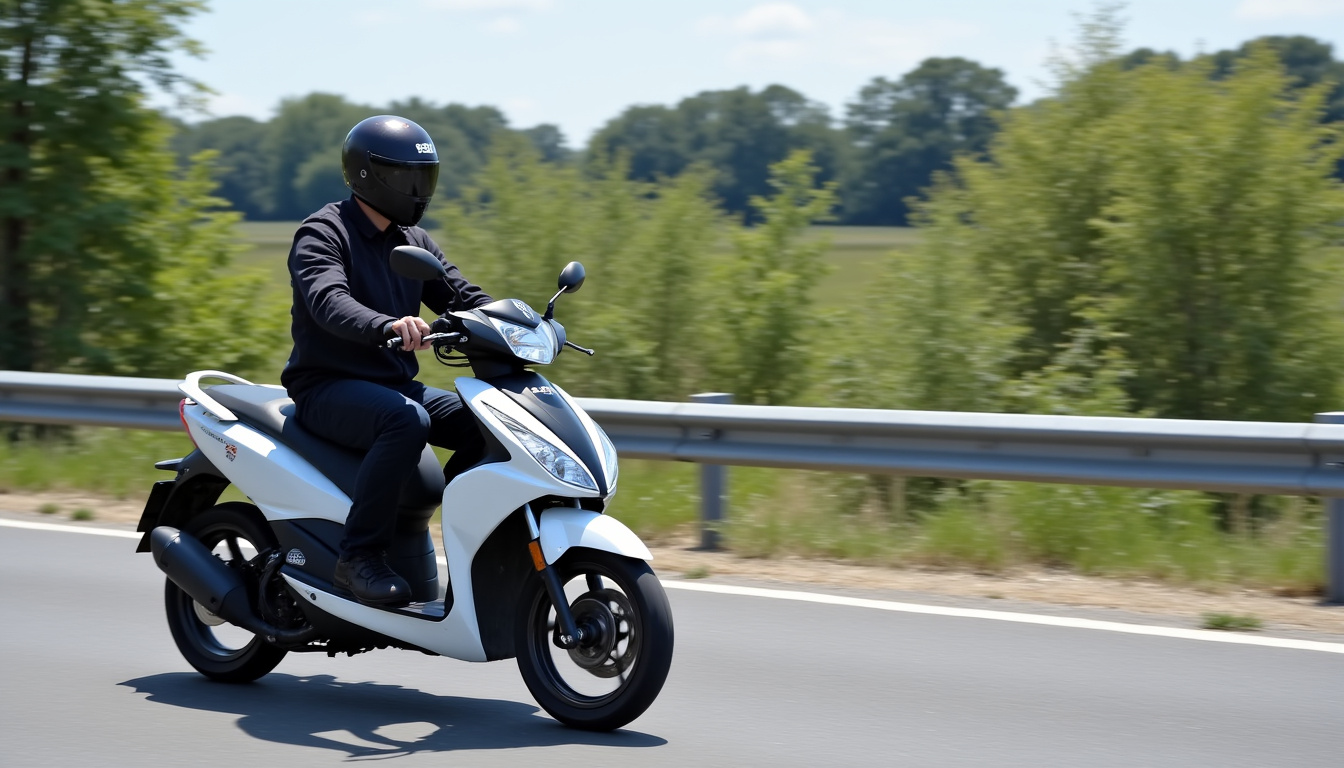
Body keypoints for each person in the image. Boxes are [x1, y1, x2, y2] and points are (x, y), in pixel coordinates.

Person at [281, 115, 492, 607]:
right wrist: (387, 325)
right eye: (405, 178)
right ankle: (358, 558)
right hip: (327, 386)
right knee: (404, 419)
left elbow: (462, 296)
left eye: (424, 178)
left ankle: (458, 534)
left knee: (491, 422)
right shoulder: (324, 232)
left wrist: (521, 321)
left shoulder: (414, 242)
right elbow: (328, 300)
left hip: (394, 385)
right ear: (366, 175)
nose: (417, 191)